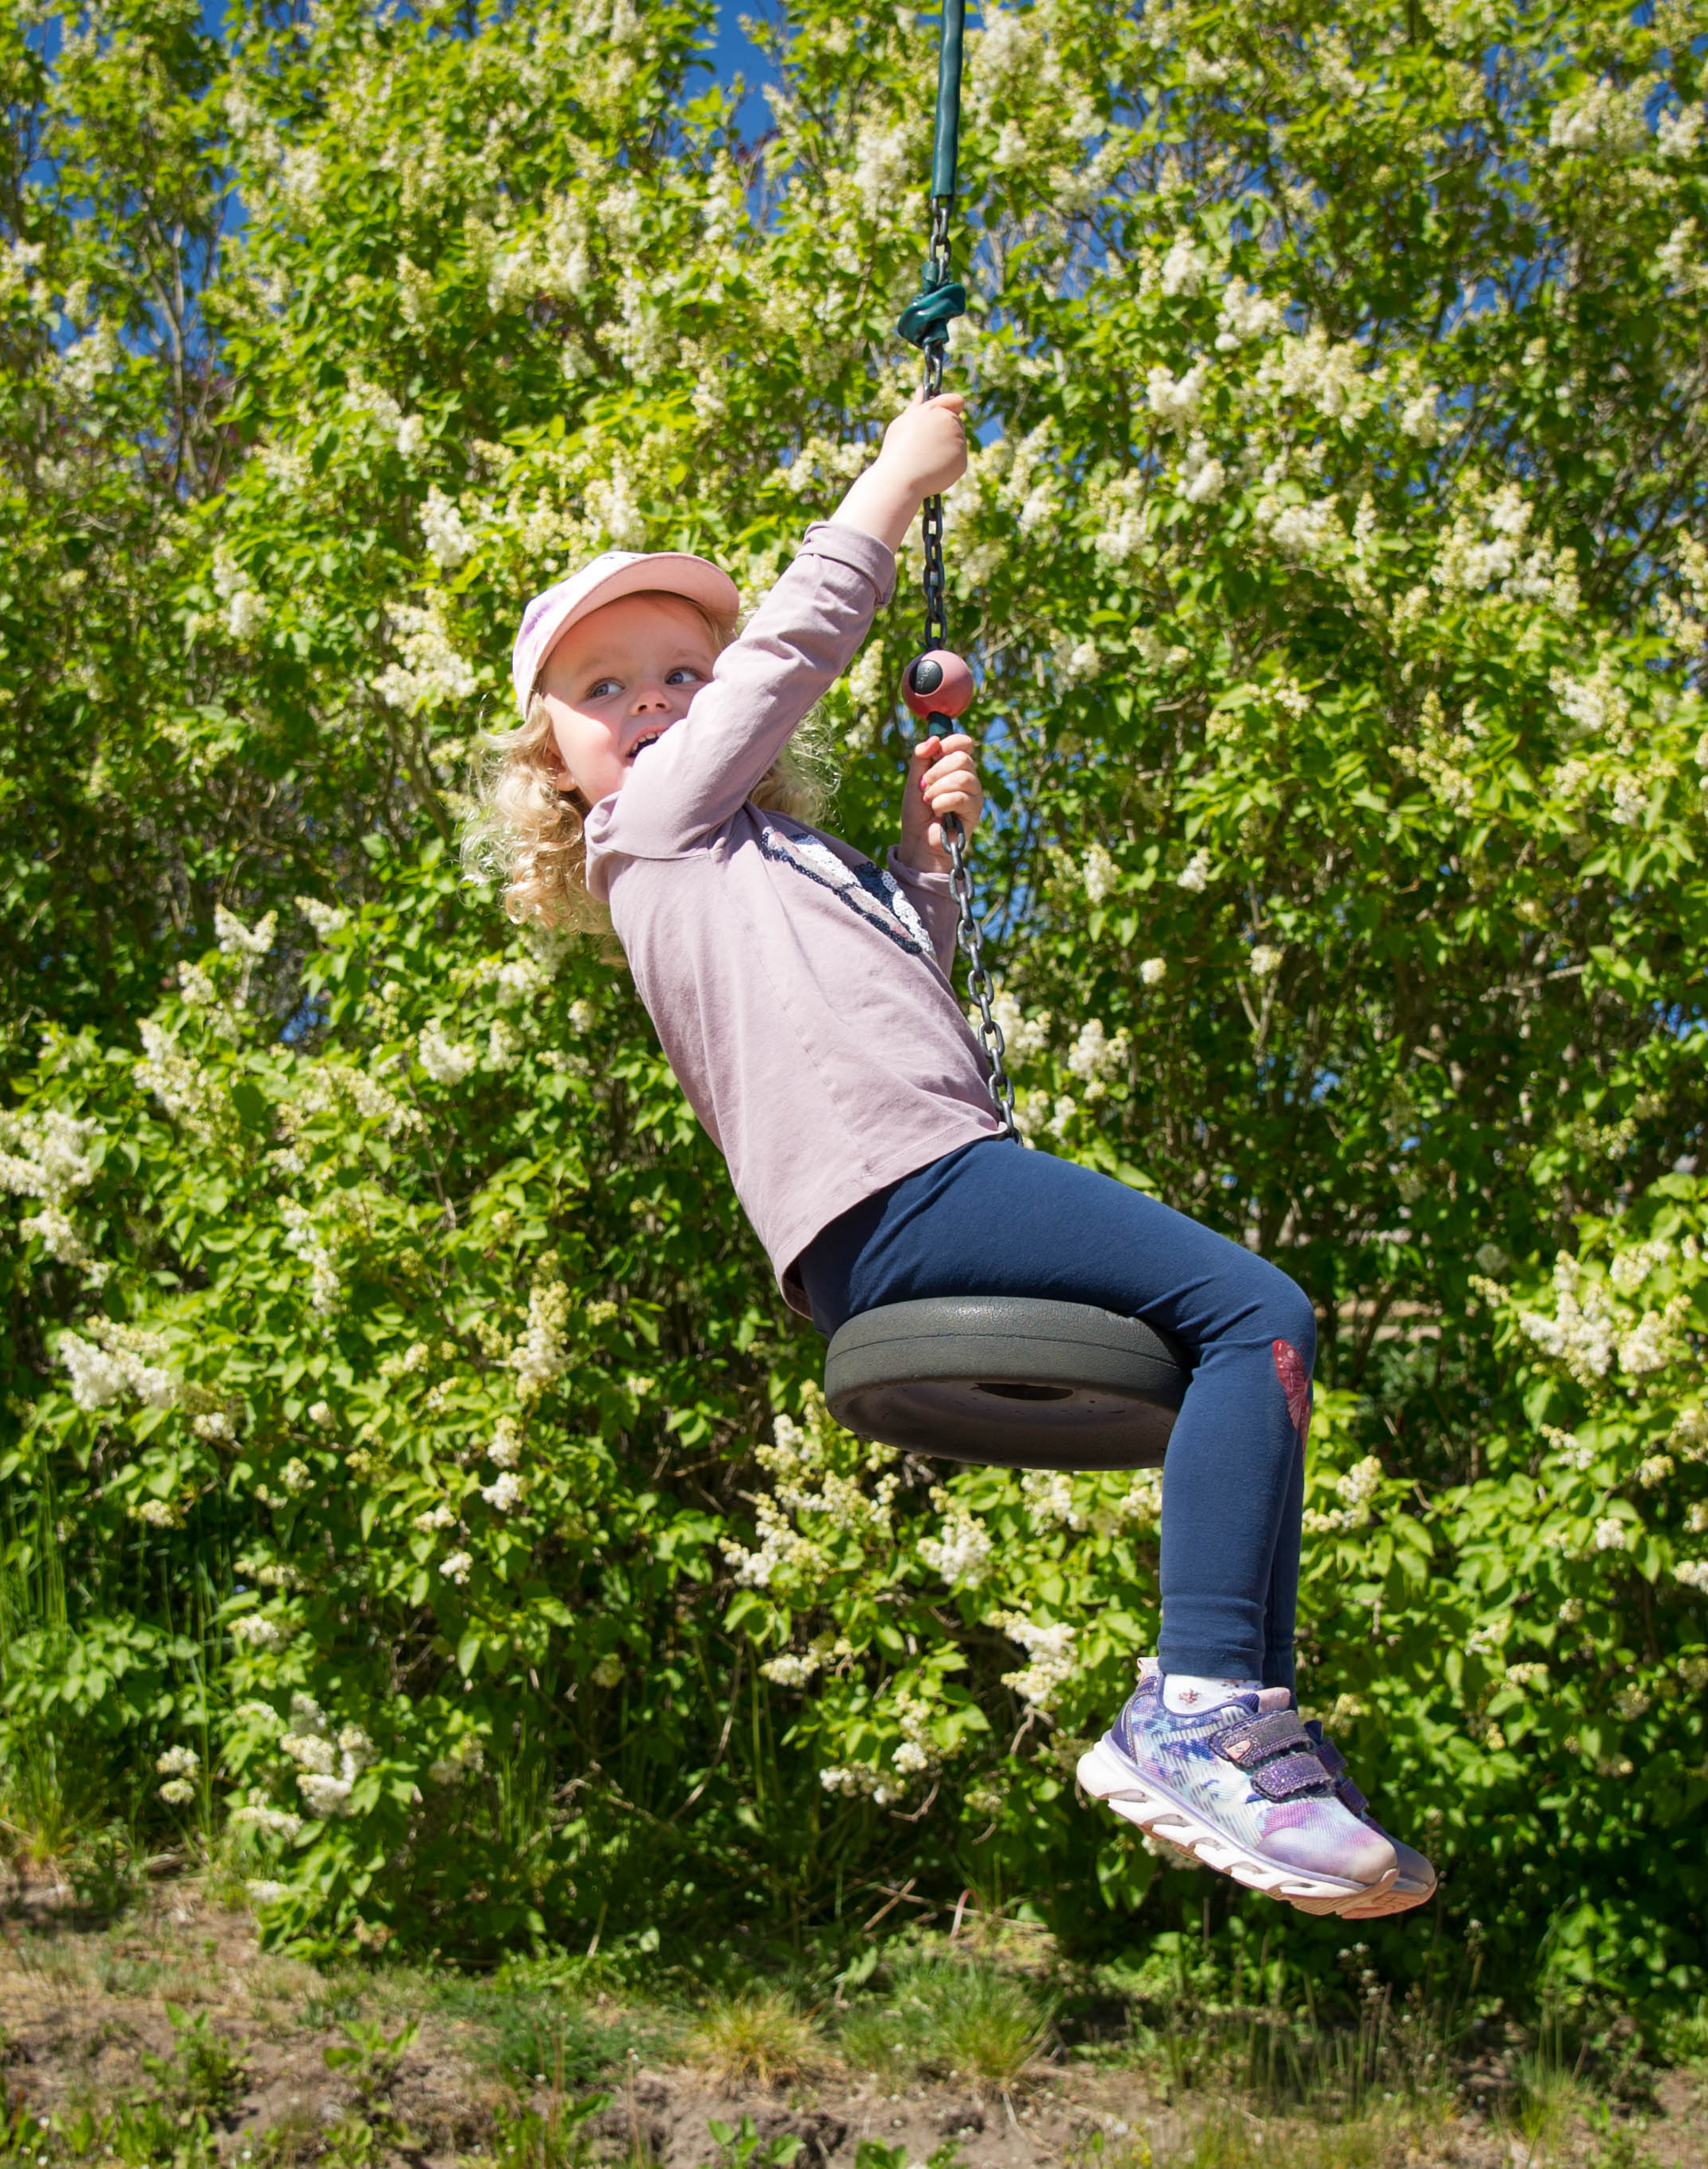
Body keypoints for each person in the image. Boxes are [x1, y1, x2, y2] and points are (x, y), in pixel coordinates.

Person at [475, 391, 1434, 1921]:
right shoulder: (649, 834)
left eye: (679, 673)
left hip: (916, 1173)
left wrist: (923, 864)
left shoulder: (779, 862)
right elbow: (789, 649)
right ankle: (1198, 1710)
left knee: (1232, 1364)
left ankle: (1242, 1715)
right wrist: (889, 491)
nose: (653, 699)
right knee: (1259, 1309)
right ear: (555, 756)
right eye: (607, 688)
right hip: (893, 1186)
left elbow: (904, 1004)